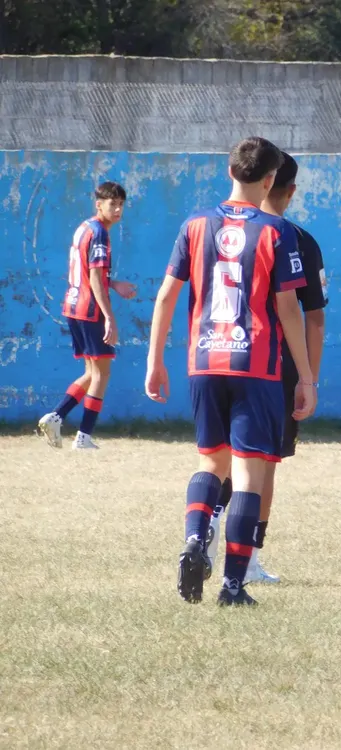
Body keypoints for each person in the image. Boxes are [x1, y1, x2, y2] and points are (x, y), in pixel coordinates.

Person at [145, 137, 317, 606]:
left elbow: (165, 296)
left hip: (204, 362)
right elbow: (288, 308)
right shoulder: (274, 232)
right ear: (269, 180)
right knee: (247, 474)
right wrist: (305, 376)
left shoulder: (195, 224)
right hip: (256, 366)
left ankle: (196, 538)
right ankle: (233, 585)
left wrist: (155, 360)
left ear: (229, 171)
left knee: (209, 462)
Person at [204, 152, 328, 585]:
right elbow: (311, 315)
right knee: (263, 464)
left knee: (217, 459)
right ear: (288, 189)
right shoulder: (294, 238)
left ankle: (207, 526)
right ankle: (248, 559)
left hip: (218, 355)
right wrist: (308, 376)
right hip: (273, 366)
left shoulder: (214, 226)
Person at [37, 182, 136, 450]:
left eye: (120, 205)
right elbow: (93, 277)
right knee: (102, 373)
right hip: (90, 310)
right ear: (98, 204)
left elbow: (90, 271)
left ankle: (56, 417)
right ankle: (84, 436)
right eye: (111, 204)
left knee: (93, 371)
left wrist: (113, 284)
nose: (116, 209)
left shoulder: (85, 228)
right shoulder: (101, 234)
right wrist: (109, 317)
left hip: (73, 307)